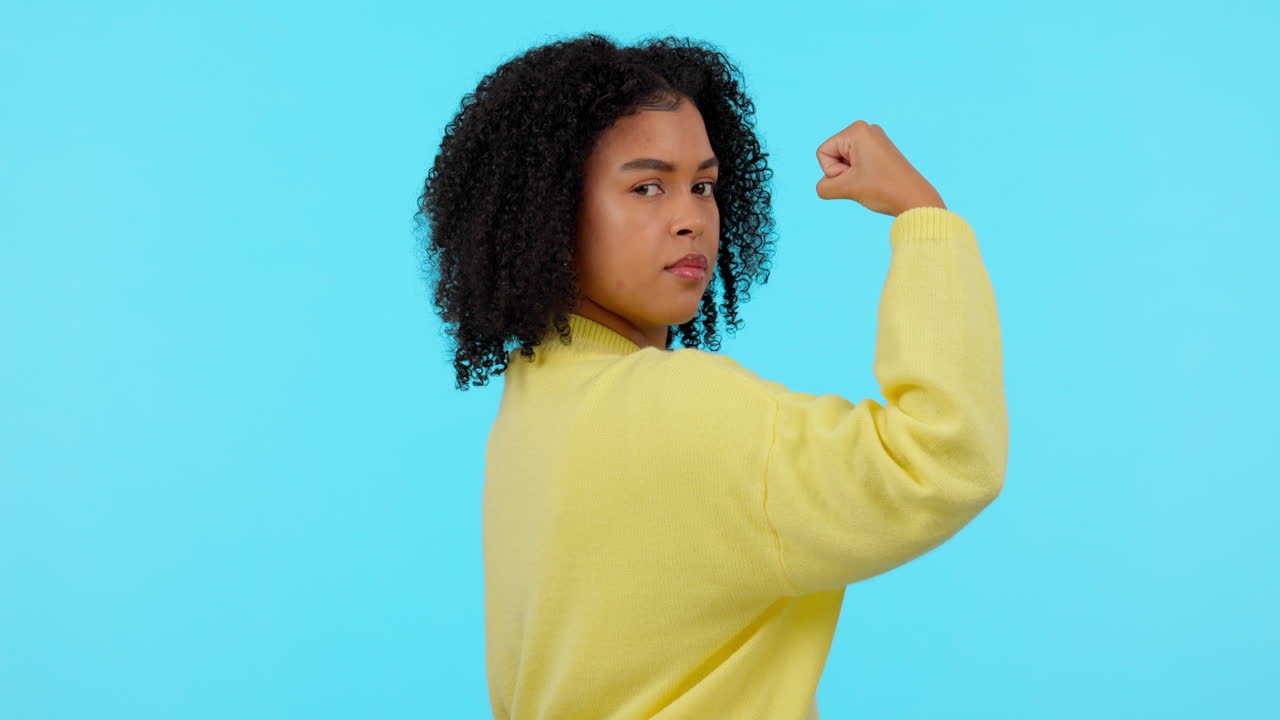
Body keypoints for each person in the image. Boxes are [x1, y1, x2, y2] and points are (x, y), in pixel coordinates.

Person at [414, 32, 1008, 720]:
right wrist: (923, 215)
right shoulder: (674, 407)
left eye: (702, 186)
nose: (691, 219)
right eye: (646, 187)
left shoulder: (535, 399)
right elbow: (943, 457)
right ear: (552, 209)